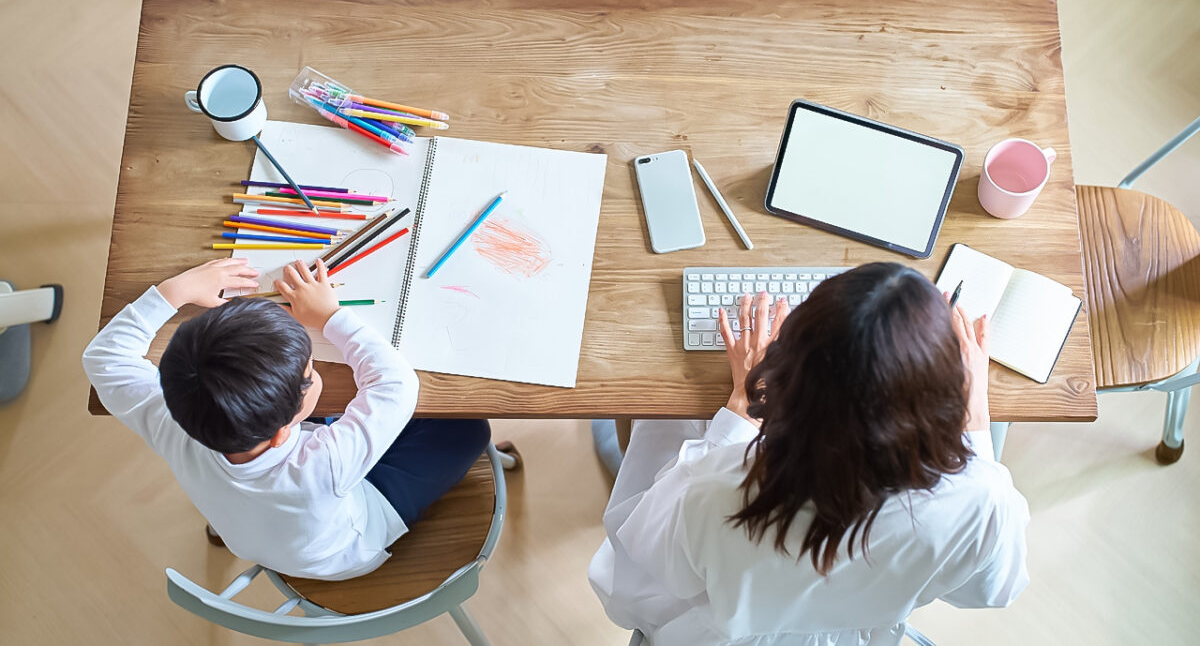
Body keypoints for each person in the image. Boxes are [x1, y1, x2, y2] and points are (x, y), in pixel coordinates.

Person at [588, 262, 1030, 645]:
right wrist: (974, 417)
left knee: (667, 422)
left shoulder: (717, 491)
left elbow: (622, 594)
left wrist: (740, 411)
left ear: (789, 383)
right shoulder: (982, 499)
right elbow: (993, 590)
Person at [83, 257, 492, 580]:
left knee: (345, 419)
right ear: (282, 433)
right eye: (310, 376)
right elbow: (397, 385)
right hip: (348, 550)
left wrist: (173, 292)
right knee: (467, 429)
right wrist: (332, 318)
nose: (312, 375)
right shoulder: (322, 462)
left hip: (253, 534)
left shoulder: (169, 422)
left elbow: (103, 359)